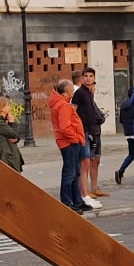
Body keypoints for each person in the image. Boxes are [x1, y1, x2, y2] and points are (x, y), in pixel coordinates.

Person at [47, 77, 89, 213]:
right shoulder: (63, 105)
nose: (73, 90)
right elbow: (65, 127)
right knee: (70, 172)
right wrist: (75, 138)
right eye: (71, 88)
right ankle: (67, 202)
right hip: (69, 142)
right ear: (66, 91)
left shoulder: (61, 103)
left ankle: (77, 200)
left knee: (74, 171)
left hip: (69, 141)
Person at [73, 68, 108, 200]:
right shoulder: (80, 93)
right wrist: (79, 127)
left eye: (91, 76)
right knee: (85, 162)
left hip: (95, 130)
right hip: (85, 132)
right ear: (82, 78)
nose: (88, 78)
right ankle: (84, 192)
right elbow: (73, 111)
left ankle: (94, 188)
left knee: (96, 160)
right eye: (86, 76)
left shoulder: (89, 93)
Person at [0, 95, 24, 169]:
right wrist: (12, 122)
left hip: (7, 156)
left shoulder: (0, 122)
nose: (10, 107)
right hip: (6, 158)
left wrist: (16, 138)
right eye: (8, 105)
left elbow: (13, 136)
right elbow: (14, 133)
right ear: (2, 108)